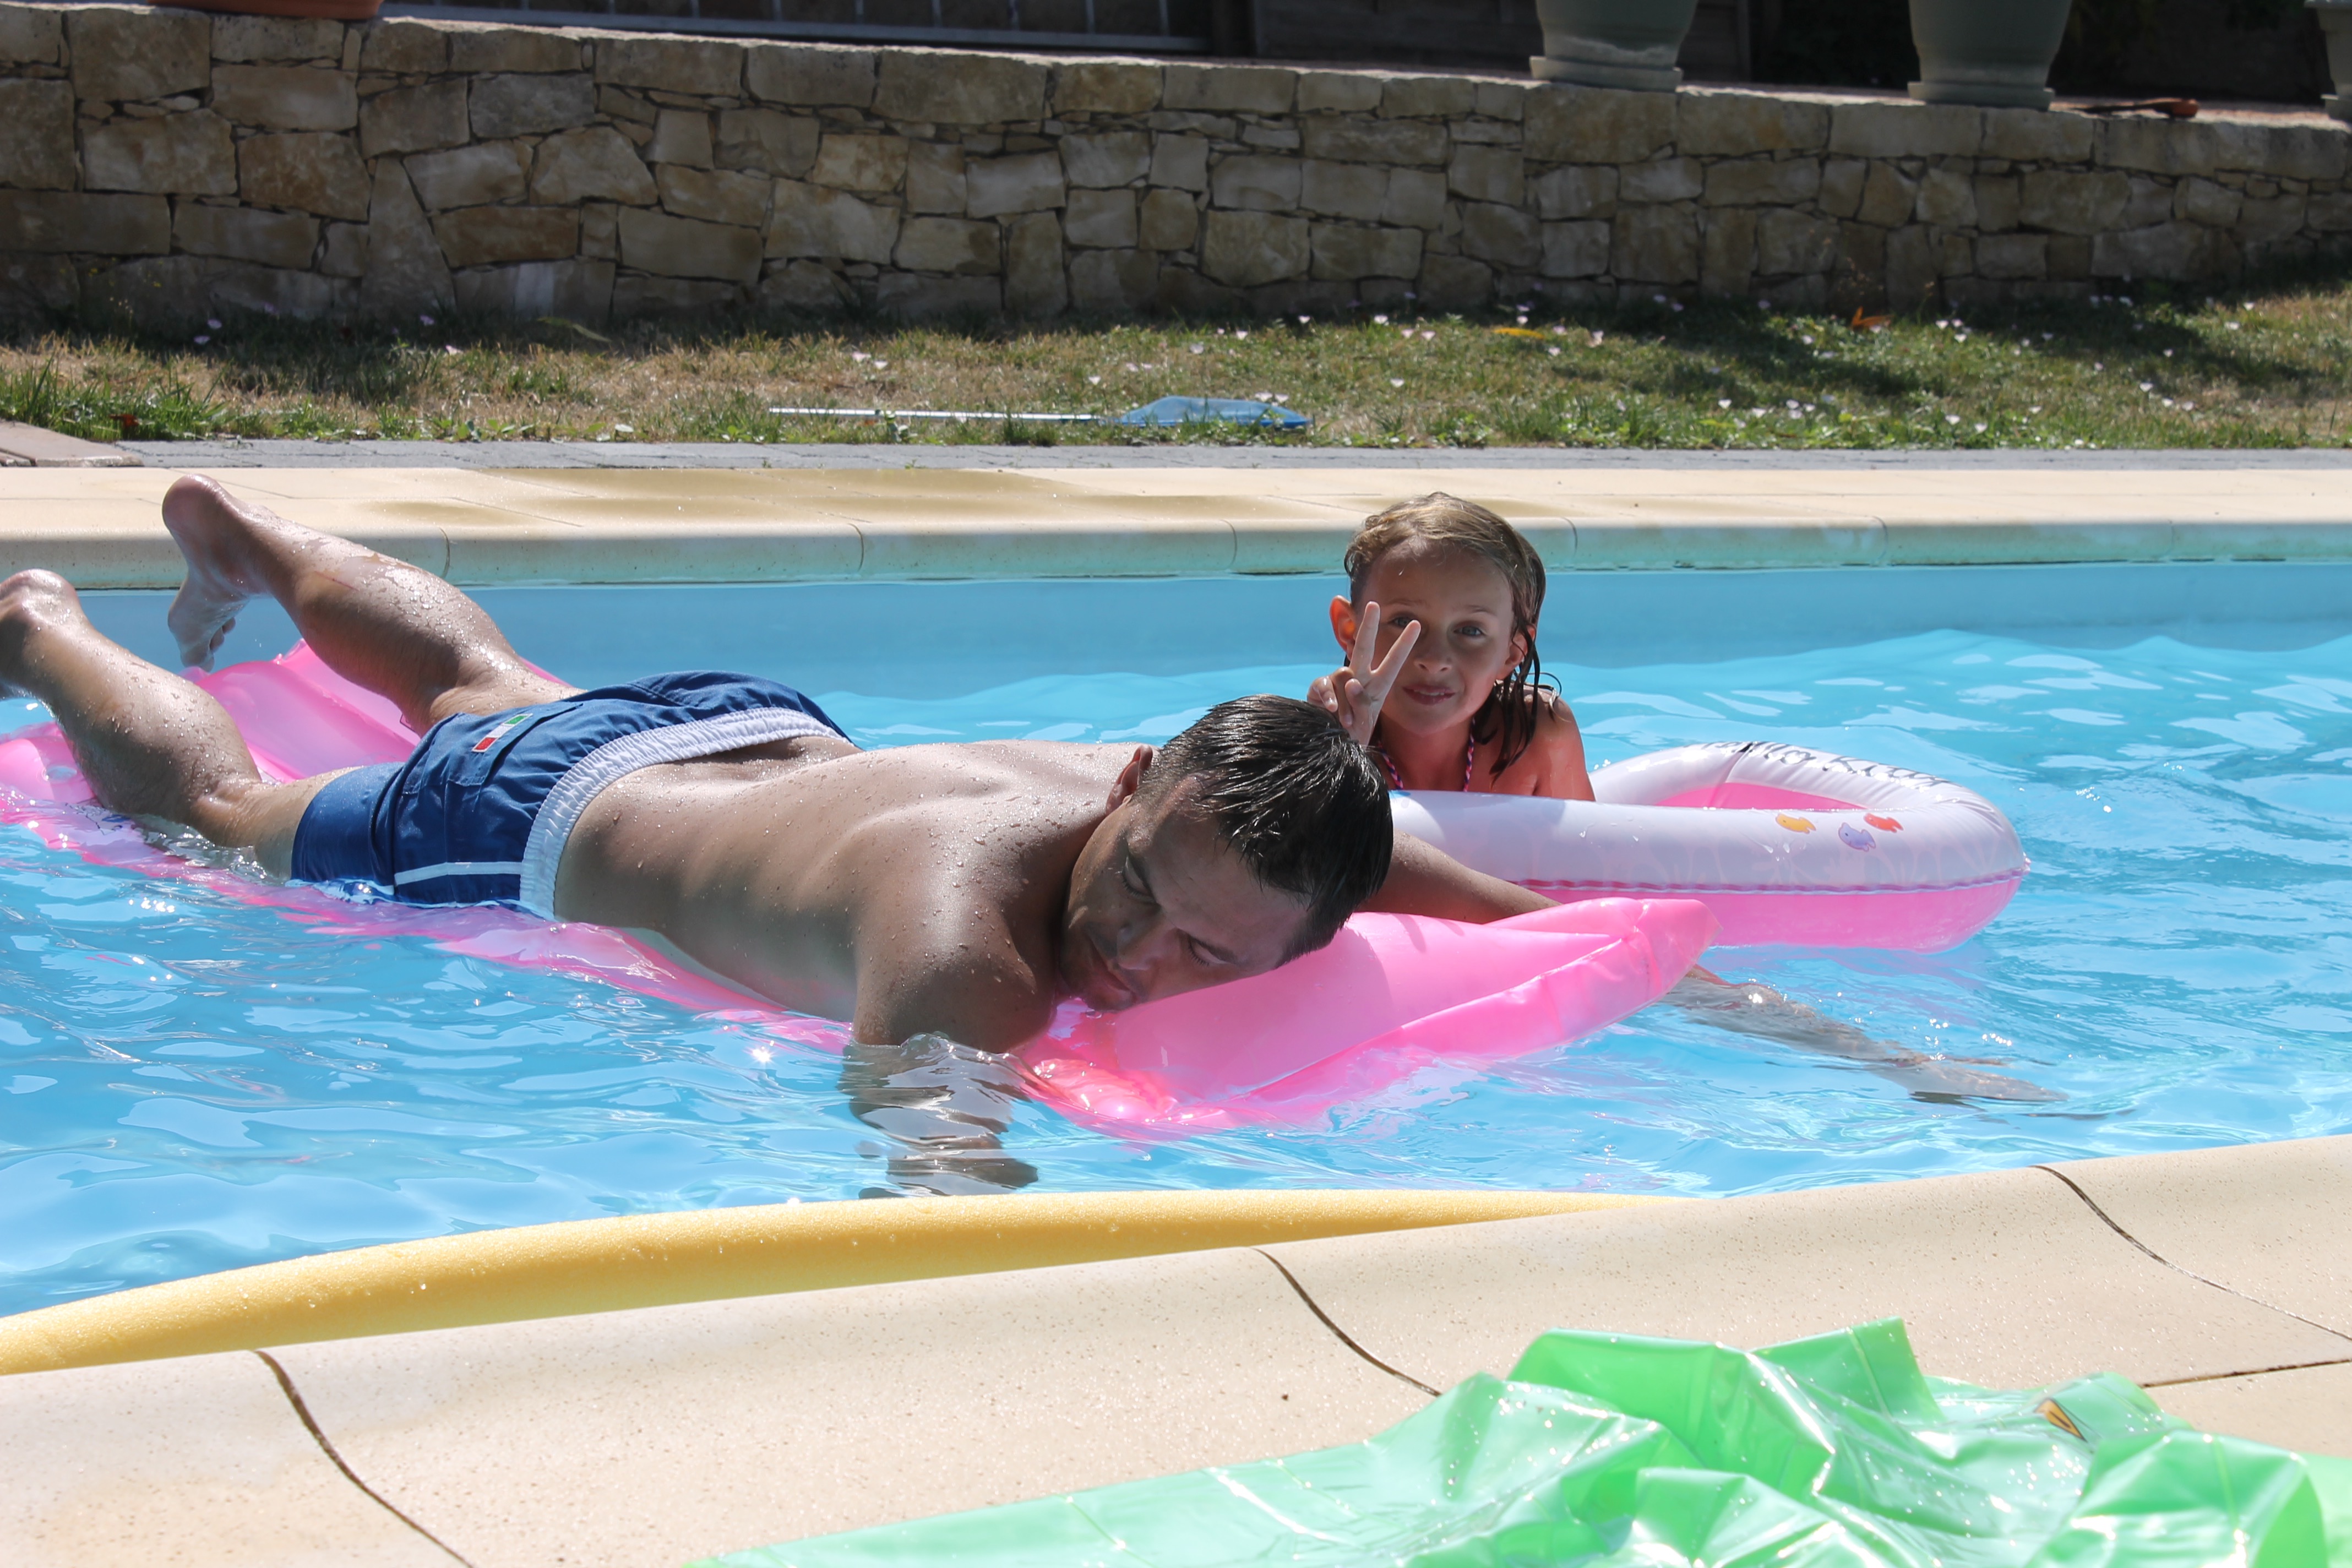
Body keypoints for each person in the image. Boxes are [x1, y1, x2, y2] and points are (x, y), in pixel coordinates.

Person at [0, 477, 1547, 1065]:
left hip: (740, 729)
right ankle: (40, 626)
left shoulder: (1183, 796)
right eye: (1140, 885)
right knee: (220, 815)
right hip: (528, 822)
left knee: (478, 676)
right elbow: (934, 1176)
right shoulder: (966, 963)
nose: (1132, 949)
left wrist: (1557, 933)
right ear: (1137, 787)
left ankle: (263, 543)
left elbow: (1389, 862)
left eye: (1206, 949)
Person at [1308, 493, 1593, 799]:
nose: (1434, 660)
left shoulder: (1538, 740)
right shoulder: (1323, 739)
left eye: (1470, 631)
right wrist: (1339, 755)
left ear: (1512, 652)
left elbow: (1590, 831)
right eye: (1404, 622)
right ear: (1350, 631)